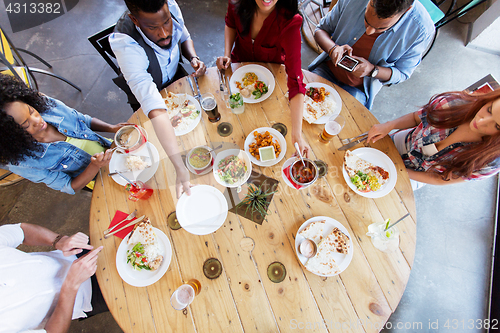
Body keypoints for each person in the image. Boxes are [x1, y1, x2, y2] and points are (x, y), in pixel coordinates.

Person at [109, 0, 202, 197]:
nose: (164, 33)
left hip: (177, 78)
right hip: (148, 98)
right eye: (153, 27)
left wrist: (193, 57)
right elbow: (155, 107)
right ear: (134, 20)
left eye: (166, 22)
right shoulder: (125, 43)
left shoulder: (171, 6)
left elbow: (183, 36)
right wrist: (179, 167)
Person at [0, 74, 127, 195]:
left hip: (114, 149)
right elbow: (71, 186)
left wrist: (112, 128)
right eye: (26, 124)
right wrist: (95, 165)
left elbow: (84, 119)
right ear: (11, 135)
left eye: (31, 111)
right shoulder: (24, 163)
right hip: (104, 180)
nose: (38, 121)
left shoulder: (46, 106)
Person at [216, 0, 310, 157]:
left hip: (273, 79)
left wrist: (297, 135)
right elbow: (231, 24)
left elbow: (296, 81)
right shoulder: (236, 3)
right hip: (238, 70)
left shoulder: (290, 22)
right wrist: (226, 53)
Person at [313, 0, 434, 110]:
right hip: (326, 69)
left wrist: (372, 70)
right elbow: (320, 30)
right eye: (366, 20)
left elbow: (402, 73)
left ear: (407, 10)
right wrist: (333, 49)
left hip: (359, 90)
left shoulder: (421, 30)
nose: (369, 31)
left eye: (381, 28)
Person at [367, 89, 500, 188]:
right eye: (489, 110)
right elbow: (416, 117)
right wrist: (390, 125)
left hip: (419, 175)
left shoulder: (490, 162)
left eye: (497, 126)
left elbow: (440, 179)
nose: (482, 122)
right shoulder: (453, 104)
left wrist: (397, 171)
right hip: (402, 142)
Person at [0, 222, 104, 332]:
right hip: (90, 296)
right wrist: (71, 285)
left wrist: (59, 241)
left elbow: (21, 231)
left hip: (80, 253)